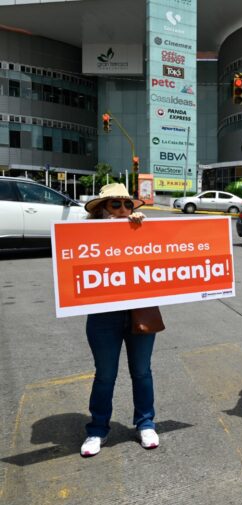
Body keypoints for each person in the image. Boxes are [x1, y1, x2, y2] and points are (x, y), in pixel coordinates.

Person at [80, 183, 159, 457]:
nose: (123, 209)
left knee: (142, 371)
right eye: (115, 204)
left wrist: (142, 229)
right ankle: (97, 429)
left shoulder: (141, 229)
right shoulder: (83, 236)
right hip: (103, 316)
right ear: (101, 210)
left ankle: (145, 423)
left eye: (127, 204)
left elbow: (164, 256)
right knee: (105, 375)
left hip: (141, 311)